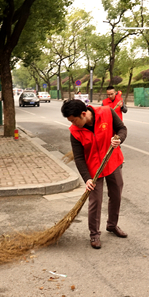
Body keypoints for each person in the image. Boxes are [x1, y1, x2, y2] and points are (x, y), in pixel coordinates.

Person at [61, 99, 128, 249]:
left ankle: (112, 225)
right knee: (95, 202)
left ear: (84, 114)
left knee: (116, 195)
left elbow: (122, 129)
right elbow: (78, 157)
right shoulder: (75, 131)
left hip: (113, 162)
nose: (72, 124)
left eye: (74, 120)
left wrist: (119, 140)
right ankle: (94, 234)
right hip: (93, 169)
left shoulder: (107, 112)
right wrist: (87, 178)